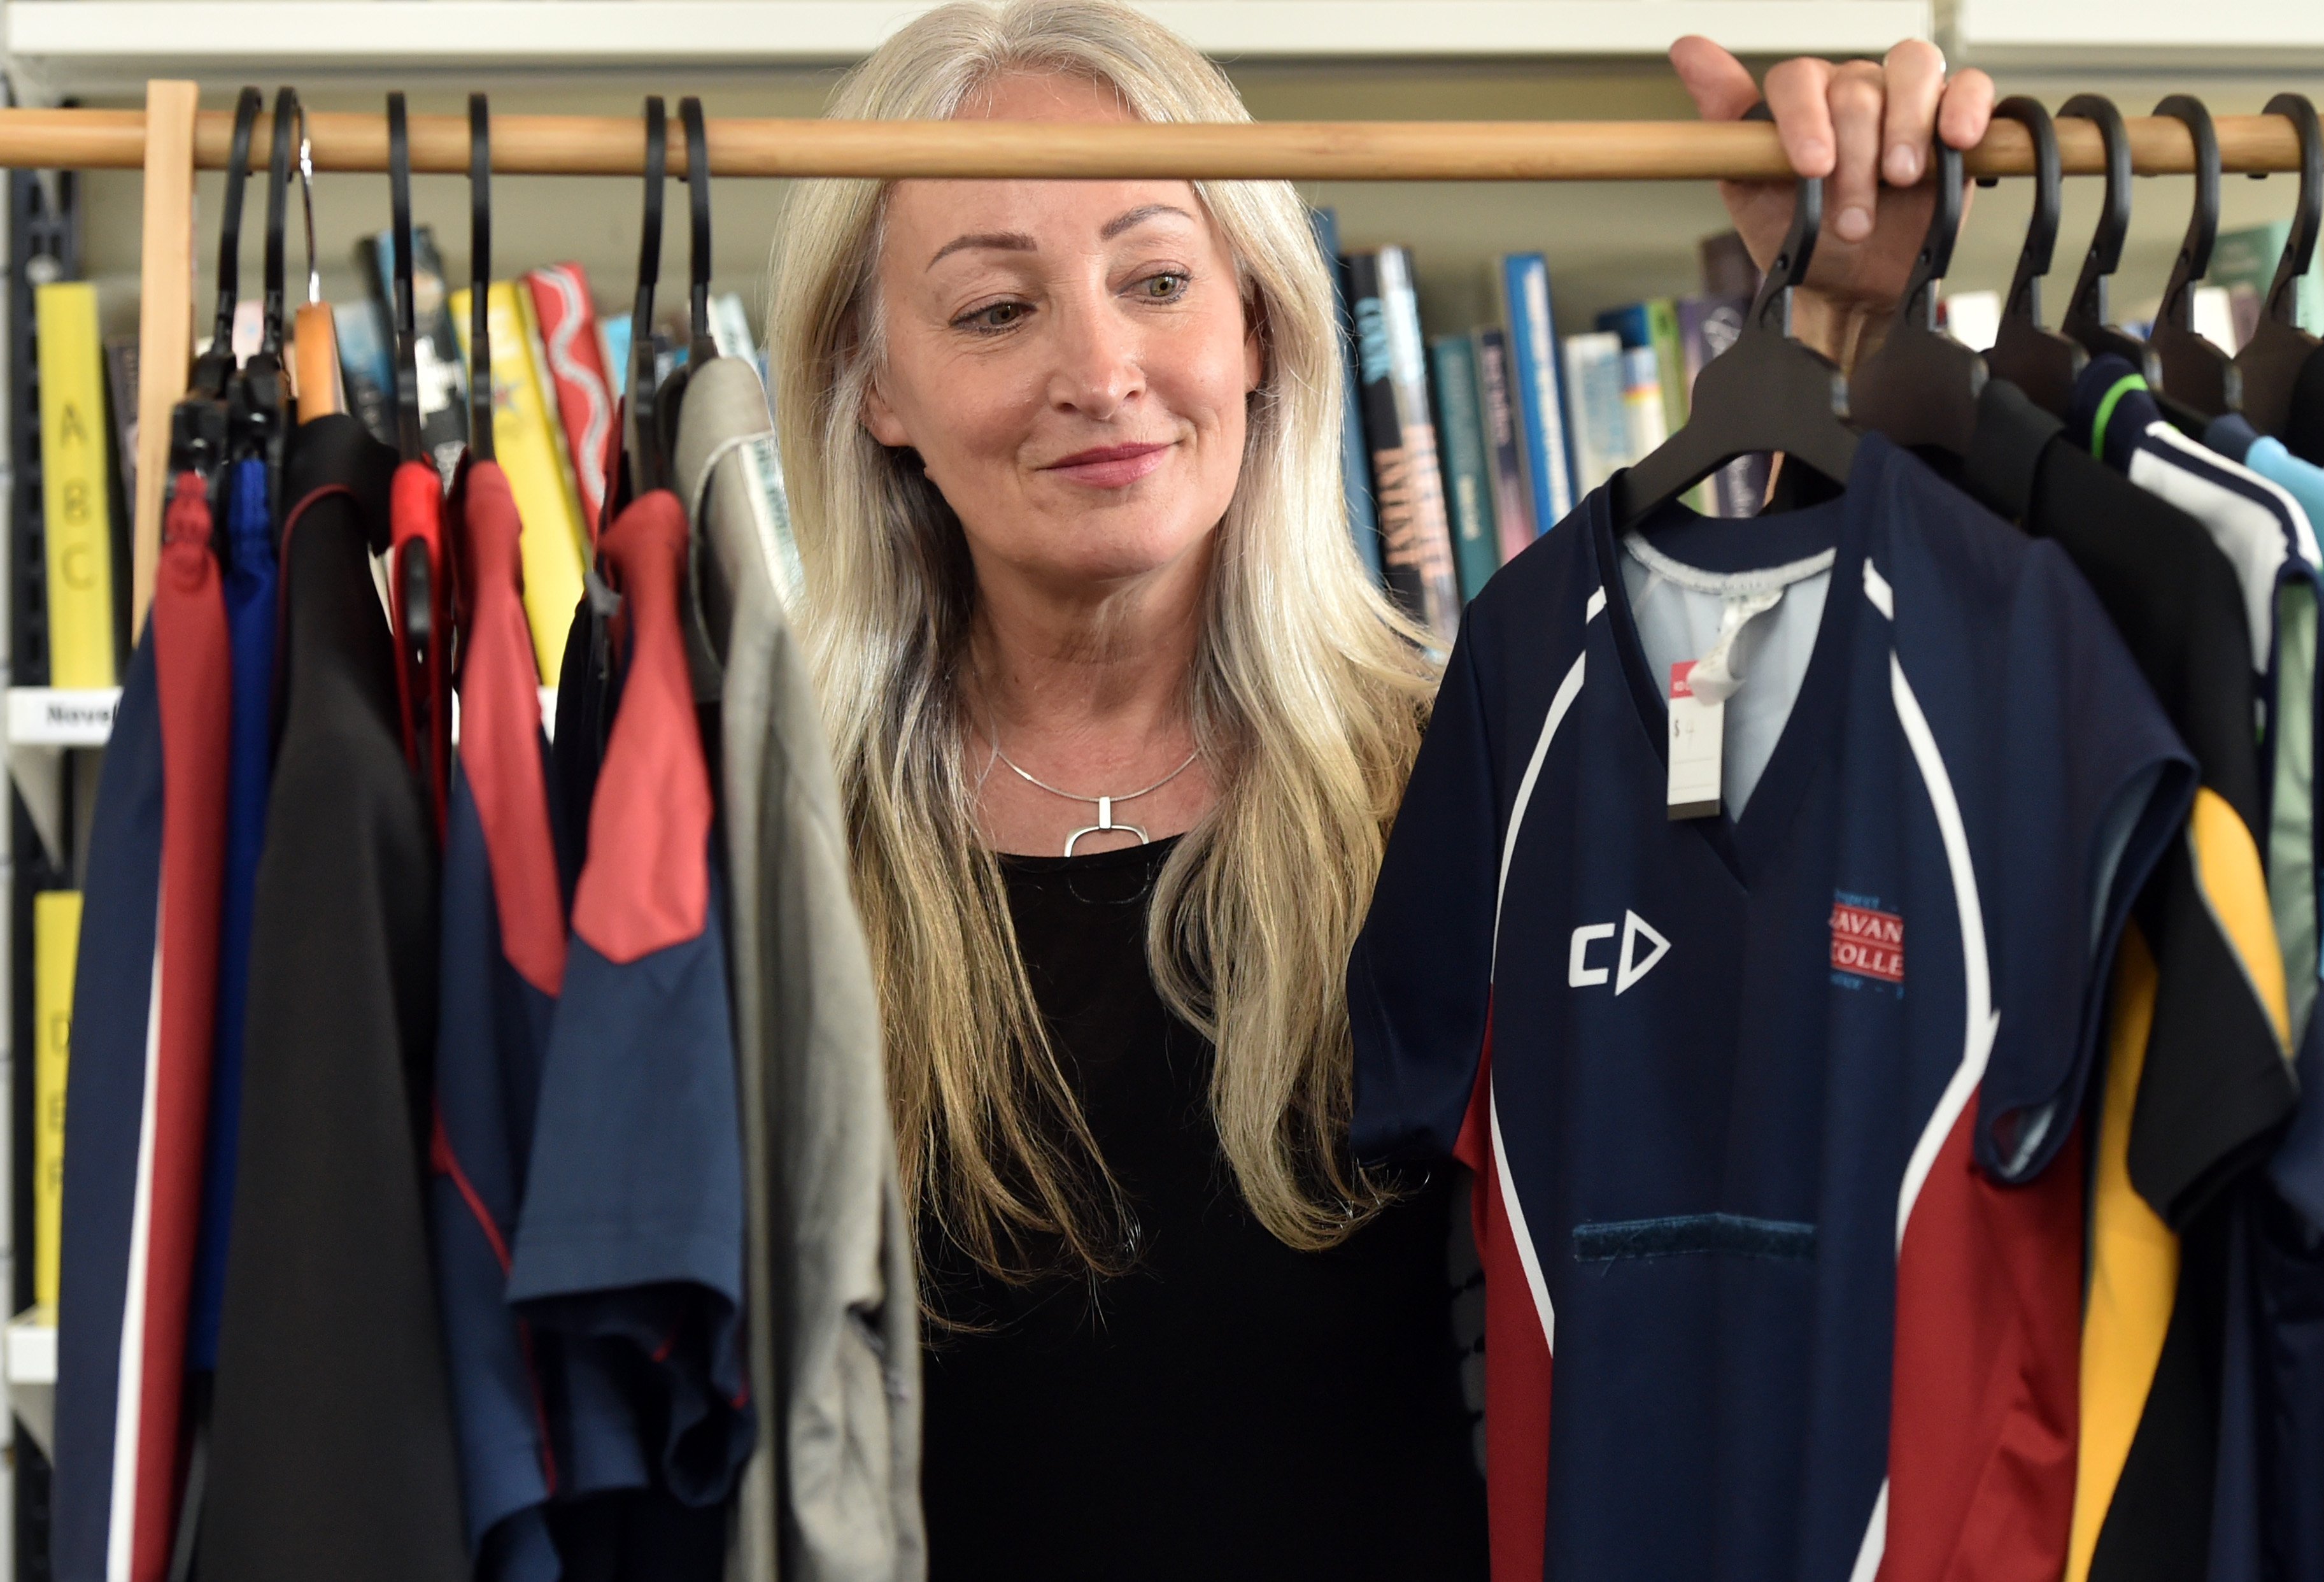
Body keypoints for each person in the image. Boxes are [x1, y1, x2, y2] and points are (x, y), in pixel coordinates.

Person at [765, 4, 1990, 1572]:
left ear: (1262, 327)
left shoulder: (1503, 769)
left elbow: (1822, 1083)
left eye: (1156, 280)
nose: (1102, 369)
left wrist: (1844, 336)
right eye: (997, 311)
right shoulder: (772, 862)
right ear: (876, 386)